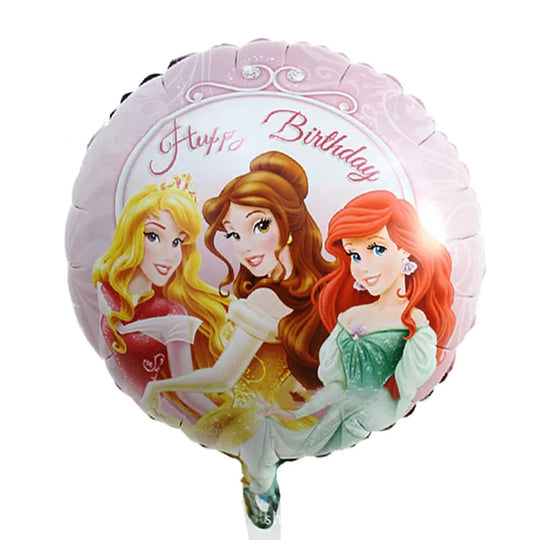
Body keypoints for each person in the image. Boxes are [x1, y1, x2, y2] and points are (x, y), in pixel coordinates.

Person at [237, 190, 456, 527]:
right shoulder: (350, 317)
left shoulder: (415, 323)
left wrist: (366, 411)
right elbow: (335, 383)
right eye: (355, 255)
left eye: (377, 249)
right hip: (339, 407)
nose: (363, 266)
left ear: (406, 250)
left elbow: (406, 388)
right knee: (267, 428)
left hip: (374, 417)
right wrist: (299, 410)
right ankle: (262, 491)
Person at [93, 176, 229, 424]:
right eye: (154, 236)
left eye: (177, 242)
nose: (170, 255)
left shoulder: (171, 313)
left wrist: (227, 422)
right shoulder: (106, 292)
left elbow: (186, 391)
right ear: (132, 235)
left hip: (165, 414)